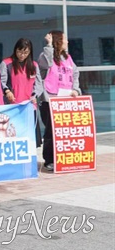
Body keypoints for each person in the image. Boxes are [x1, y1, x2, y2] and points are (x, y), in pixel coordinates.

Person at [38, 31, 81, 172]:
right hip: (49, 101)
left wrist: (76, 89)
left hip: (65, 100)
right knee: (51, 131)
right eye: (64, 39)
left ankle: (63, 158)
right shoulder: (45, 56)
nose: (67, 42)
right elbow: (47, 63)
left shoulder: (67, 57)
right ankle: (49, 160)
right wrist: (49, 45)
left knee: (65, 131)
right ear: (58, 41)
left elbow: (75, 74)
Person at [0, 38, 43, 147]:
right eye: (19, 51)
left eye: (25, 52)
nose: (22, 55)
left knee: (31, 139)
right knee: (14, 137)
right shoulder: (6, 63)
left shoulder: (34, 65)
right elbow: (0, 81)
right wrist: (7, 91)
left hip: (29, 106)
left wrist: (34, 95)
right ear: (15, 50)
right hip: (13, 105)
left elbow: (38, 84)